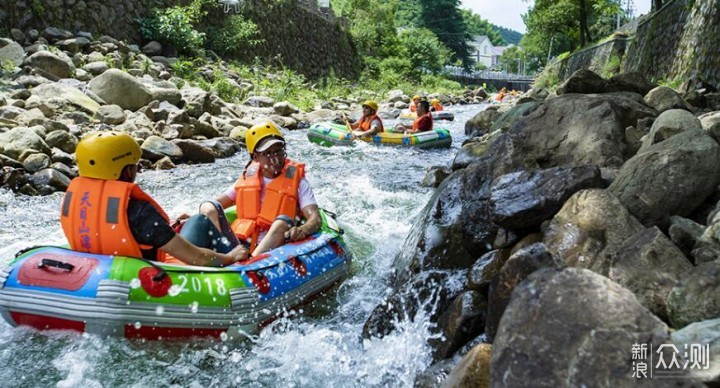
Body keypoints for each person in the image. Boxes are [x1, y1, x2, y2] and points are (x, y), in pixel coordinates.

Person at [60, 131, 247, 266]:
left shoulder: (74, 201)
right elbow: (198, 258)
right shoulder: (139, 212)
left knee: (193, 221)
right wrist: (230, 257)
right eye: (134, 165)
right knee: (201, 221)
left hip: (97, 275)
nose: (137, 170)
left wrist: (167, 229)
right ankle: (244, 262)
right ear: (126, 171)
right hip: (149, 281)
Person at [180, 121, 320, 258]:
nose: (275, 158)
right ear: (256, 157)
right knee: (208, 206)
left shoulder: (299, 182)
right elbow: (216, 205)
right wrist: (192, 217)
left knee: (282, 222)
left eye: (278, 151)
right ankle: (194, 258)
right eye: (268, 153)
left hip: (270, 251)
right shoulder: (248, 179)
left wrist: (302, 230)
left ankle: (251, 265)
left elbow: (315, 218)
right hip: (237, 248)